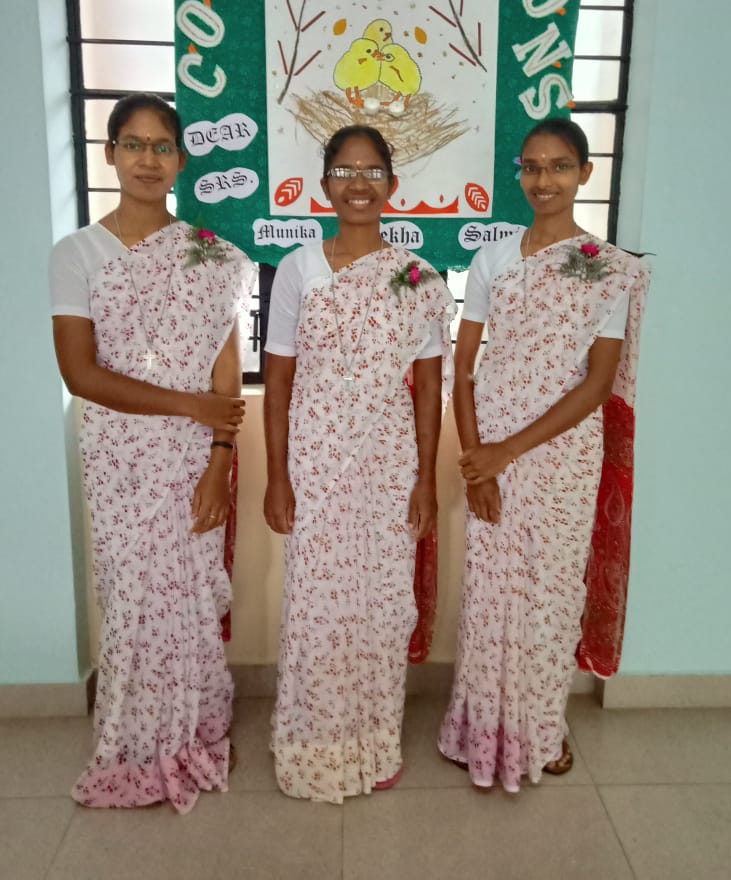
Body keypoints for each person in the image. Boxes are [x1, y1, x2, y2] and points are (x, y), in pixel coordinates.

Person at [49, 93, 256, 813]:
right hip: (118, 463)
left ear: (182, 160)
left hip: (195, 459)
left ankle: (193, 725)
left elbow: (226, 375)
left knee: (191, 599)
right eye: (132, 145)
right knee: (134, 600)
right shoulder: (75, 254)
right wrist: (187, 405)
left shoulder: (214, 258)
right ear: (110, 154)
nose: (146, 159)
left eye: (161, 146)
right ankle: (137, 740)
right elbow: (82, 375)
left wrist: (221, 458)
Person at [438, 117, 649, 791]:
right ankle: (478, 730)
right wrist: (476, 458)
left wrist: (507, 451)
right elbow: (463, 367)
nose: (543, 180)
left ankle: (541, 728)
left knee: (551, 593)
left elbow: (597, 383)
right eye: (531, 167)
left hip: (560, 455)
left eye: (559, 166)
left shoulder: (610, 271)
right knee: (492, 592)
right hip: (489, 448)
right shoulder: (494, 258)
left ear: (584, 173)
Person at [264, 124, 454, 803]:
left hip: (389, 466)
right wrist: (277, 475)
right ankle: (314, 747)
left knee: (380, 604)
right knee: (318, 606)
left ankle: (374, 742)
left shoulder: (418, 277)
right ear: (324, 187)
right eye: (345, 171)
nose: (358, 184)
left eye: (372, 172)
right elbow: (279, 381)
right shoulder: (298, 269)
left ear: (392, 186)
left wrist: (427, 478)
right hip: (315, 466)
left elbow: (430, 388)